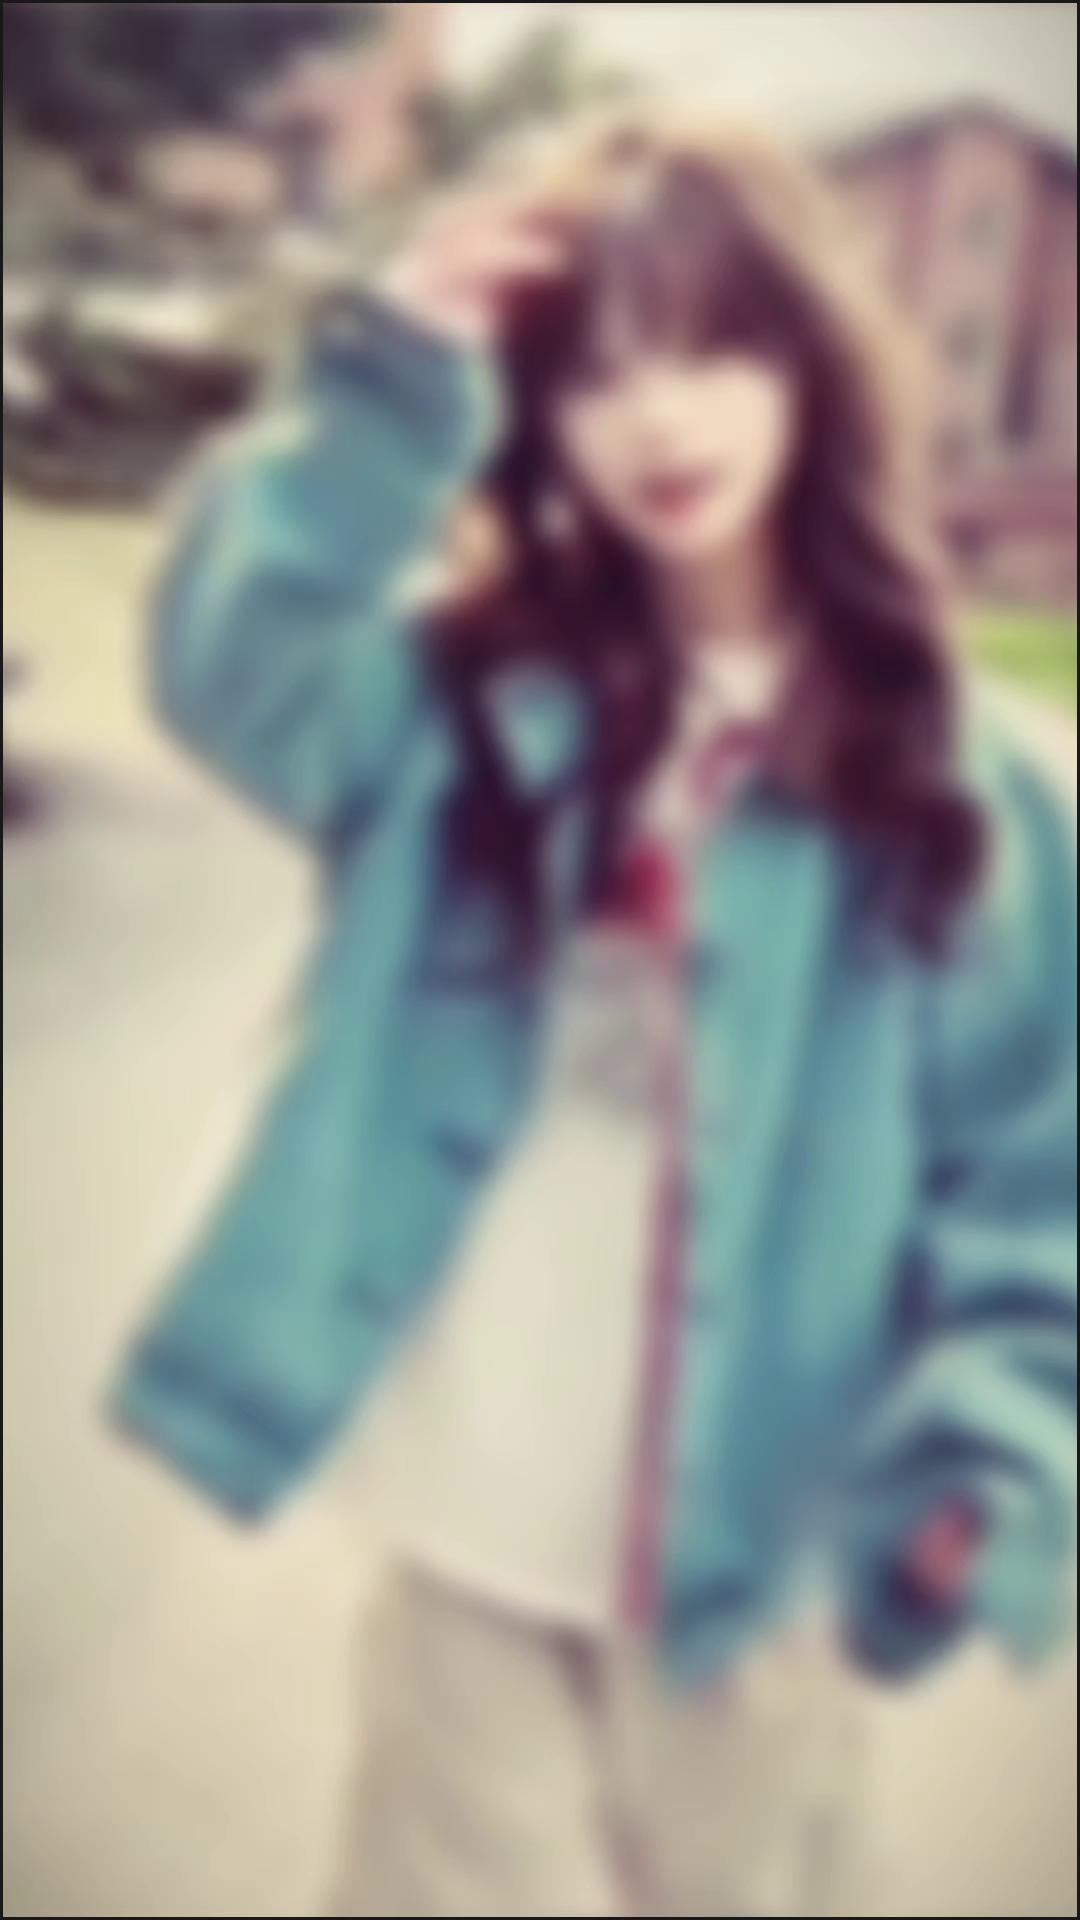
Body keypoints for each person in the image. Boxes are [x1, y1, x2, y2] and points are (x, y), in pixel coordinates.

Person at [110, 112, 1077, 1917]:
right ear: (539, 413)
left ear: (811, 366)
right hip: (474, 1507)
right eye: (599, 372)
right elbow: (232, 662)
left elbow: (1040, 1184)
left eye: (712, 350)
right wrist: (387, 383)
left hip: (762, 1548)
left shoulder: (958, 779)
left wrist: (998, 1454)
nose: (660, 420)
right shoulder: (463, 694)